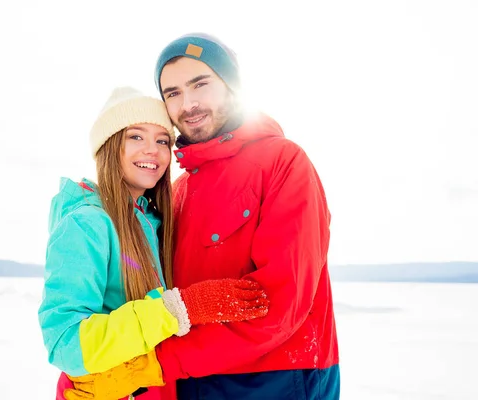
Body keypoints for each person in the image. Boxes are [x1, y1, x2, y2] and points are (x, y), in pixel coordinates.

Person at [62, 33, 340, 400]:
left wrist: (154, 365)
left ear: (231, 86)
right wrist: (93, 375)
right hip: (190, 382)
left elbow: (279, 304)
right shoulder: (177, 192)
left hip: (274, 382)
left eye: (200, 84)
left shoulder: (283, 164)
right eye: (172, 93)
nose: (188, 103)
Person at [37, 86, 270, 400]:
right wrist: (177, 309)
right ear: (109, 146)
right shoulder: (86, 224)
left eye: (163, 140)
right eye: (136, 136)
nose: (153, 150)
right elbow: (65, 344)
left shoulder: (156, 222)